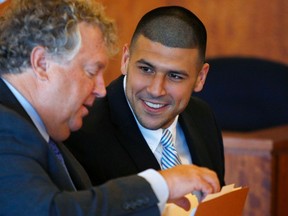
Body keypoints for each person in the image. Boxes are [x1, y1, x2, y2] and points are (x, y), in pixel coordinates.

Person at [0, 0, 220, 215]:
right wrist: (160, 185)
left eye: (174, 76)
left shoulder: (32, 127)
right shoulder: (6, 127)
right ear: (41, 63)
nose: (100, 89)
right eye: (90, 72)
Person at [65, 5, 225, 188]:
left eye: (175, 76)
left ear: (200, 78)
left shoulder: (203, 117)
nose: (156, 90)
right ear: (126, 60)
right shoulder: (81, 131)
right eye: (146, 69)